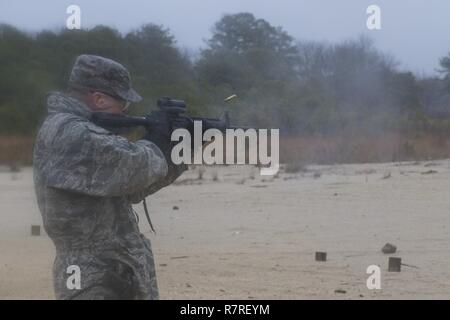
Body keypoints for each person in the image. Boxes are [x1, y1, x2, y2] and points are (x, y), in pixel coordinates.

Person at [33, 54, 186, 300]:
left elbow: (133, 187)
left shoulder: (79, 129)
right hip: (93, 276)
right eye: (122, 103)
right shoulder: (70, 132)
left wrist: (180, 152)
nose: (126, 110)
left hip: (111, 268)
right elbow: (134, 165)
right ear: (99, 98)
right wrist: (159, 141)